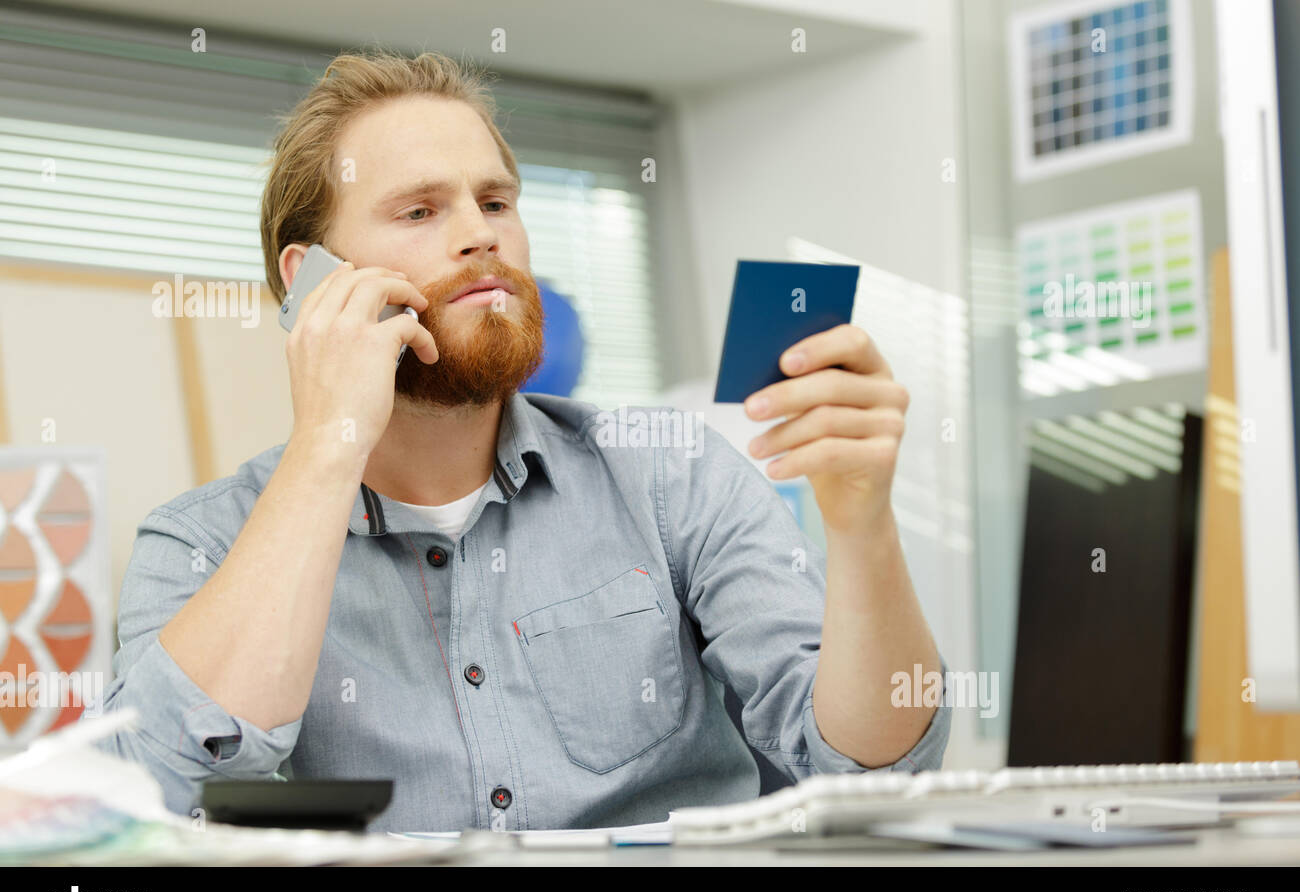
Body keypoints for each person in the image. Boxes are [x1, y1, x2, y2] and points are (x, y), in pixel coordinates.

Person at [91, 50, 950, 832]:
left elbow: (869, 769)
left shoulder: (670, 476)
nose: (482, 233)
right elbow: (157, 797)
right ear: (309, 279)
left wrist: (864, 524)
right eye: (421, 209)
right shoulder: (196, 543)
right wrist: (328, 445)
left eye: (496, 201)